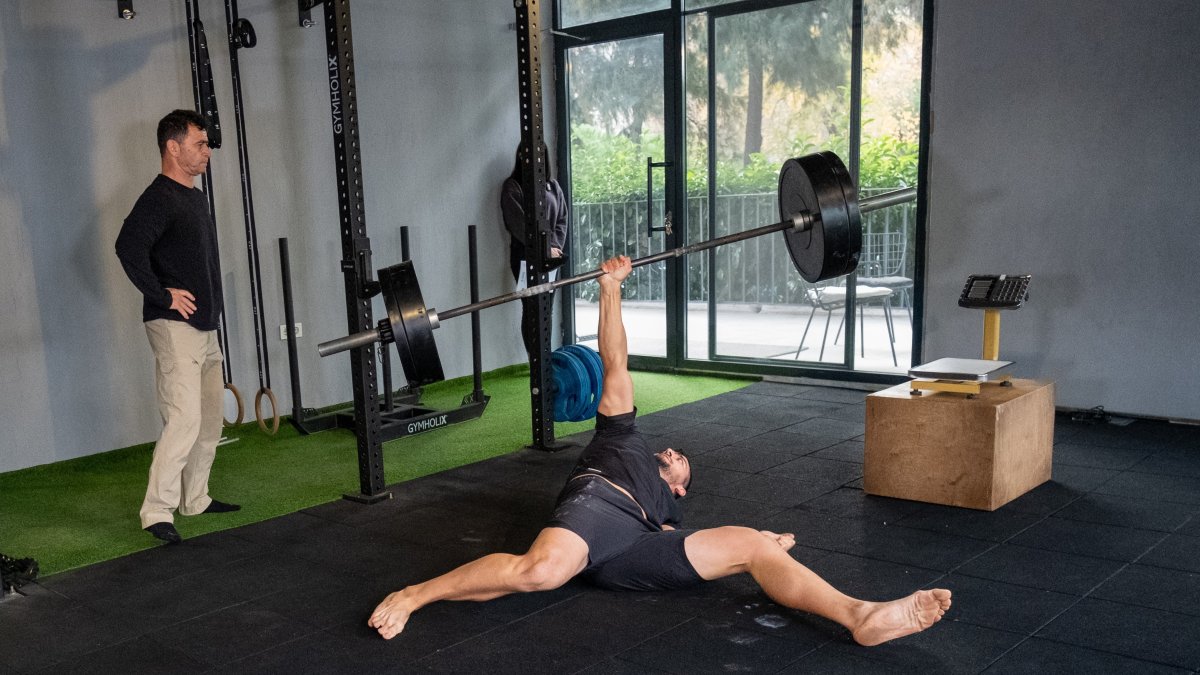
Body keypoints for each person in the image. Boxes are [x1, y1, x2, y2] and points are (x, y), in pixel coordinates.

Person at [368, 255, 952, 646]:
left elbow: (689, 542)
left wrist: (767, 547)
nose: (674, 452)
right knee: (541, 572)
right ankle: (415, 594)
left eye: (681, 463)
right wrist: (610, 290)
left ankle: (862, 615)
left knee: (750, 541)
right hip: (596, 511)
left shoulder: (670, 511)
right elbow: (615, 359)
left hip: (635, 552)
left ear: (678, 488)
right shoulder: (620, 436)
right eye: (673, 454)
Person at [115, 109, 241, 545]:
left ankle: (196, 498)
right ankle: (156, 512)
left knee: (209, 420)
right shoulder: (159, 198)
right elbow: (128, 246)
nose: (207, 151)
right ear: (173, 146)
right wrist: (163, 294)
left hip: (204, 328)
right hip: (174, 326)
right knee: (184, 419)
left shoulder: (194, 195)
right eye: (199, 144)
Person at [500, 144, 569, 356]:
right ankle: (536, 361)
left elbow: (562, 220)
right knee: (531, 308)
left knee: (546, 307)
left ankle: (545, 358)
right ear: (520, 156)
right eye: (527, 154)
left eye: (540, 155)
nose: (533, 159)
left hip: (552, 259)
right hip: (524, 258)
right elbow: (517, 223)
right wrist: (544, 248)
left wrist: (554, 247)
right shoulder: (513, 187)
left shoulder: (553, 186)